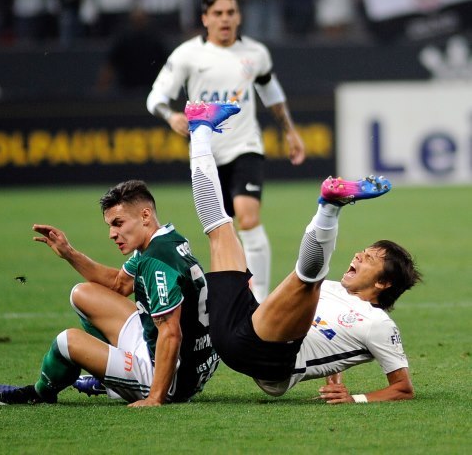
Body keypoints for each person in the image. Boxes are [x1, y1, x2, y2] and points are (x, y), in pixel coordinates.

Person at [77, 101, 419, 403]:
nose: (358, 256)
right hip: (241, 330)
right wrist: (335, 375)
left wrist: (356, 398)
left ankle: (330, 207)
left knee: (307, 281)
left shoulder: (379, 324)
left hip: (266, 357)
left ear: (385, 284)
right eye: (363, 252)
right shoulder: (334, 291)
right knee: (219, 226)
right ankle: (201, 128)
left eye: (370, 259)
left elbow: (403, 389)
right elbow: (323, 337)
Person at [0, 179, 219, 406]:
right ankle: (112, 380)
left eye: (118, 223)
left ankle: (39, 393)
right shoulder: (164, 239)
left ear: (145, 215)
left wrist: (155, 397)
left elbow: (171, 333)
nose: (112, 234)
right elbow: (119, 284)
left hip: (170, 377)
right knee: (82, 294)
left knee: (67, 342)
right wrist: (69, 253)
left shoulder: (156, 261)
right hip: (185, 359)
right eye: (110, 226)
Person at [146, 0, 305, 303]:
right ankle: (232, 295)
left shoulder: (255, 54)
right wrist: (171, 117)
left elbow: (270, 93)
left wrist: (290, 130)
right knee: (221, 230)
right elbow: (156, 98)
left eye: (230, 12)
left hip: (245, 146)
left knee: (248, 217)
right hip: (206, 155)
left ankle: (260, 298)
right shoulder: (187, 55)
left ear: (239, 16)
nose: (225, 19)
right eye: (217, 13)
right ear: (205, 18)